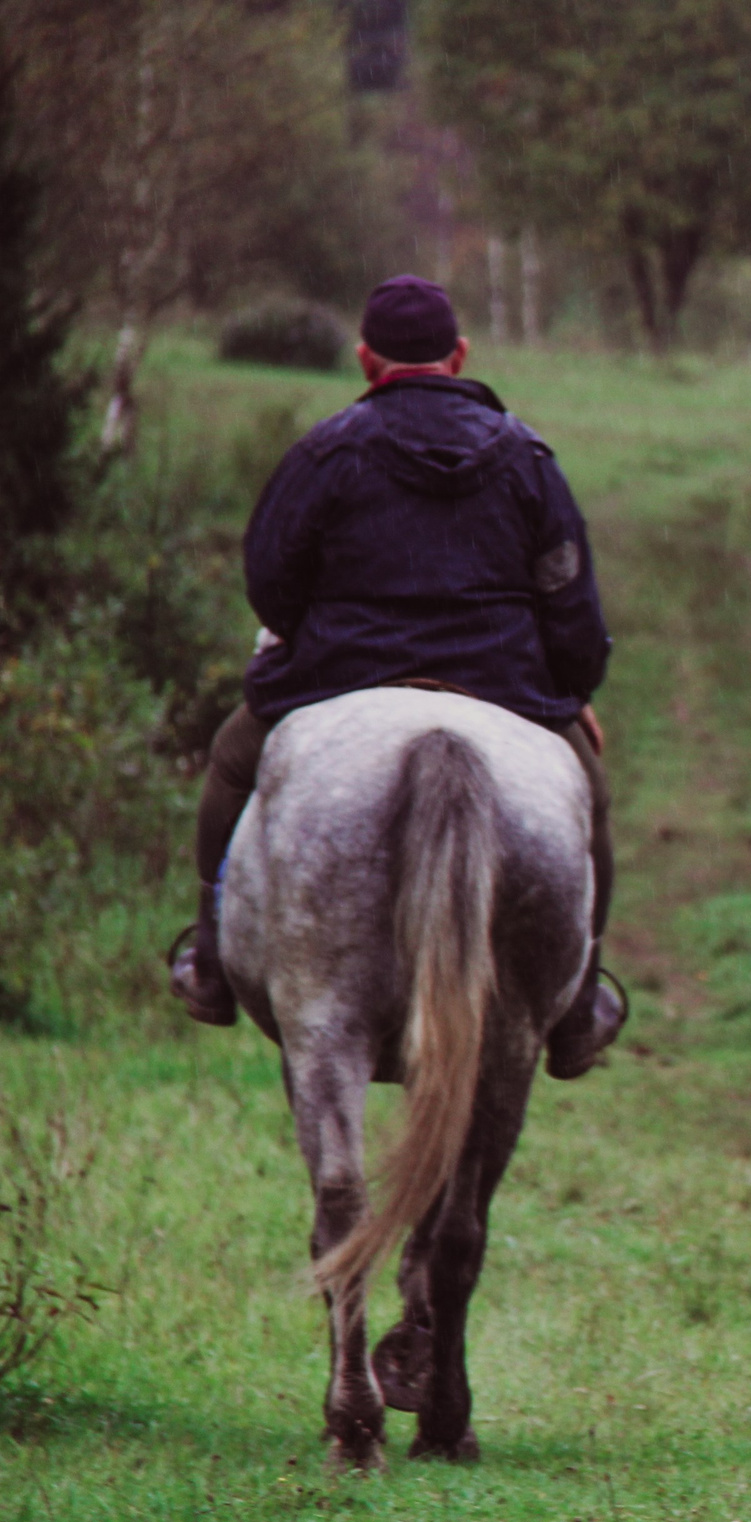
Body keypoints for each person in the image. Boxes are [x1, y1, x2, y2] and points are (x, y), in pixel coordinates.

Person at [166, 274, 624, 1077]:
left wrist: (309, 632)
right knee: (590, 800)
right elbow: (569, 597)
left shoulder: (324, 451)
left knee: (232, 762)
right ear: (460, 355)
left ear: (366, 358)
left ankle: (208, 955)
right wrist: (575, 689)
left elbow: (270, 579)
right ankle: (580, 1001)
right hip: (505, 683)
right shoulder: (528, 458)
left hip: (338, 677)